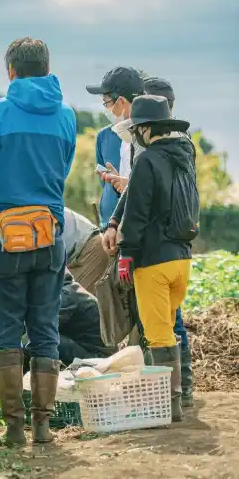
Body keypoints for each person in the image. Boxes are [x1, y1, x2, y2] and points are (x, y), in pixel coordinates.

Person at [0, 37, 76, 446]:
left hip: (3, 236)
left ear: (11, 71)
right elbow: (62, 169)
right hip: (48, 234)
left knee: (6, 331)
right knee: (45, 329)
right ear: (48, 69)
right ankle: (43, 426)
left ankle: (13, 429)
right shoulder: (66, 115)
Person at [101, 77, 195, 407]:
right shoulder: (184, 155)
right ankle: (179, 397)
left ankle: (168, 404)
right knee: (169, 328)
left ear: (144, 128)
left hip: (153, 262)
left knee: (157, 335)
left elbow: (137, 213)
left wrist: (126, 254)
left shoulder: (147, 160)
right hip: (182, 259)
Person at [0, 198, 107, 327]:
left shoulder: (7, 224)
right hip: (66, 260)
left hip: (85, 248)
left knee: (79, 314)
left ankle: (105, 353)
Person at [85, 67, 143, 226]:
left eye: (106, 102)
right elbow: (106, 186)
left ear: (121, 101)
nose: (105, 108)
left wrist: (128, 186)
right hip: (109, 227)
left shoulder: (148, 137)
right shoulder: (105, 137)